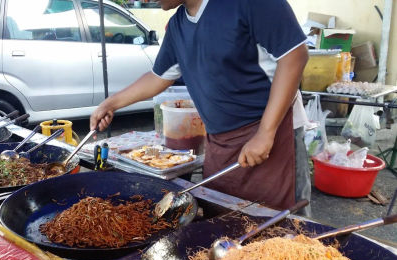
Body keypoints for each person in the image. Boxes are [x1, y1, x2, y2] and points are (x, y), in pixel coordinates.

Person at [90, 0, 311, 215]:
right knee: (222, 219)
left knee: (283, 228)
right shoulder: (178, 25)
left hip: (273, 134)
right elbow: (159, 77)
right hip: (220, 143)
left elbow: (294, 56)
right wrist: (111, 104)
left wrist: (265, 132)